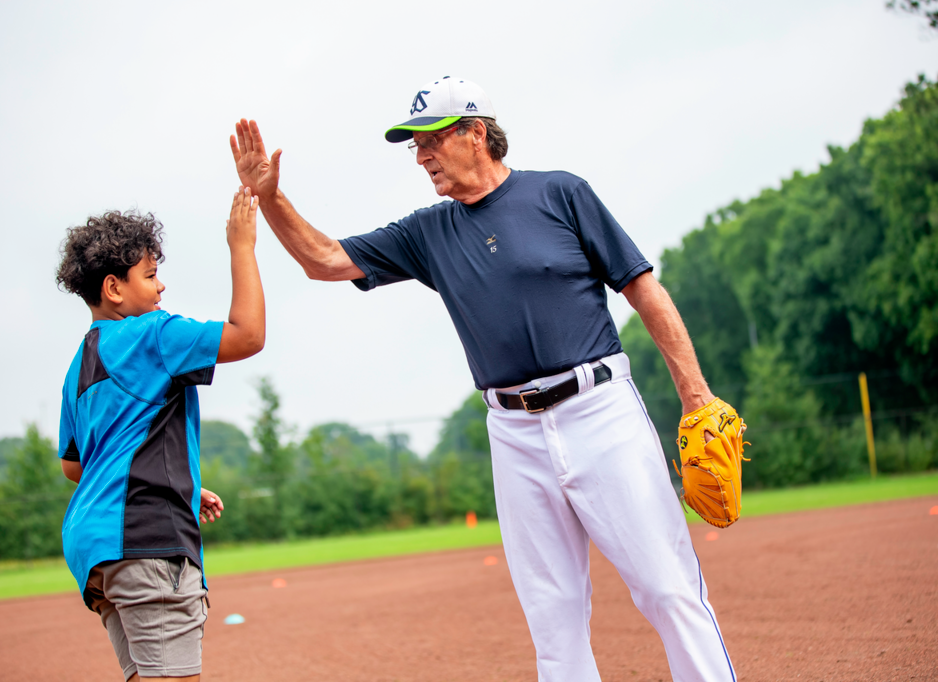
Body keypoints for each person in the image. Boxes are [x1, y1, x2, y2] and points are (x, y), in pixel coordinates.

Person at [230, 77, 735, 681]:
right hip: (513, 434)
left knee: (667, 588)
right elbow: (325, 260)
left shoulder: (562, 193)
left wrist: (695, 395)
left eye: (431, 140)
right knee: (553, 618)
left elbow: (642, 287)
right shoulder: (428, 232)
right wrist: (273, 197)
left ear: (476, 134)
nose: (421, 157)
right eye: (414, 146)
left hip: (600, 410)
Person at [54, 188, 266, 681]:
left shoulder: (79, 363)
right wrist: (242, 245)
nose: (161, 288)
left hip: (94, 548)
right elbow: (248, 335)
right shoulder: (150, 334)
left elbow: (75, 464)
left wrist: (173, 480)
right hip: (146, 540)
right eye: (150, 276)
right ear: (113, 288)